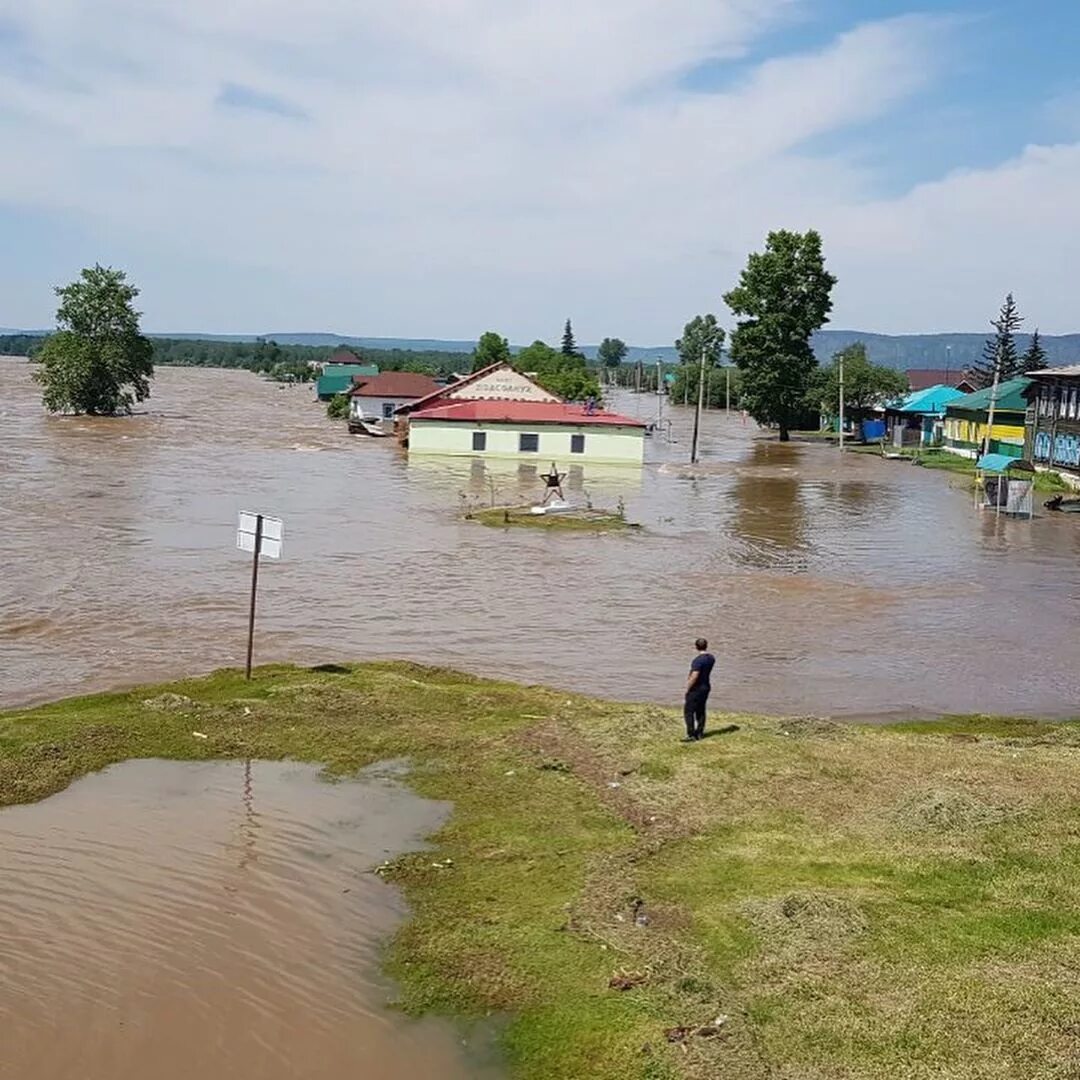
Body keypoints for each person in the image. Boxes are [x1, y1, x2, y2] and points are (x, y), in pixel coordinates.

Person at [683, 638, 715, 742]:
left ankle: (691, 734)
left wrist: (688, 688)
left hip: (696, 688)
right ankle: (699, 733)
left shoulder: (697, 661)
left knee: (689, 711)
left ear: (696, 647)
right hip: (706, 687)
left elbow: (694, 676)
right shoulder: (711, 658)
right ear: (706, 645)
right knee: (701, 710)